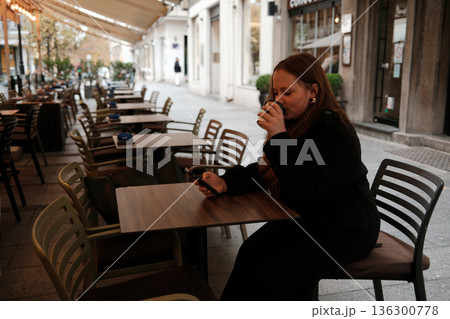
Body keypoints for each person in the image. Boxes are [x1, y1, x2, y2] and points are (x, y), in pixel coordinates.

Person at [195, 53, 380, 300]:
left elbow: (303, 192)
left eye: (287, 93)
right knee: (251, 250)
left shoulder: (333, 132)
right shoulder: (301, 122)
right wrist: (226, 181)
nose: (278, 101)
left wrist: (279, 137)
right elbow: (267, 170)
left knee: (272, 270)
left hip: (345, 229)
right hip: (311, 219)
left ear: (313, 91)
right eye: (275, 93)